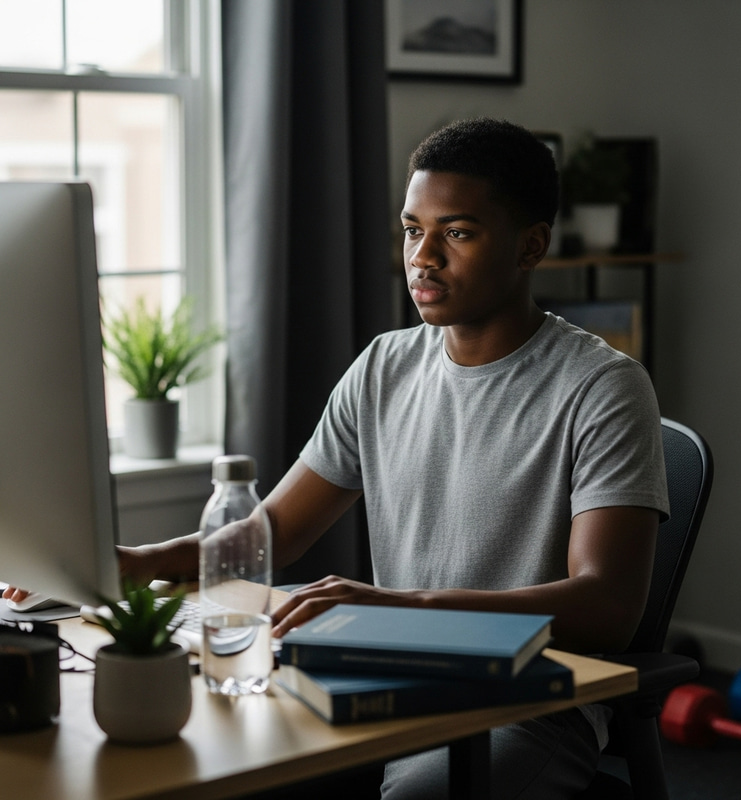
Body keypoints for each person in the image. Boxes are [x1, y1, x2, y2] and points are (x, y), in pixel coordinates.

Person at [5, 118, 669, 798]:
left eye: (457, 233)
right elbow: (274, 531)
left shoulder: (603, 387)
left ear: (531, 246)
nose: (423, 257)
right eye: (412, 229)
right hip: (376, 672)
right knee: (205, 763)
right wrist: (136, 563)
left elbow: (608, 607)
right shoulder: (383, 366)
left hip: (525, 704)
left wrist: (398, 607)